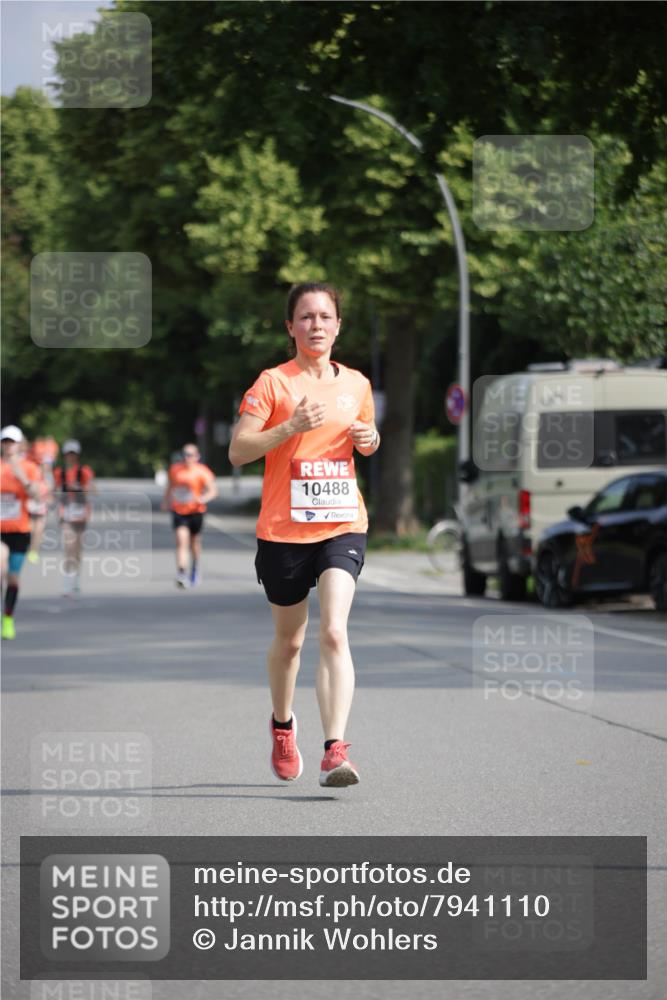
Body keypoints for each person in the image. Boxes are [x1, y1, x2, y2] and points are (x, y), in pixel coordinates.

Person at [228, 282, 380, 788]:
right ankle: (282, 724)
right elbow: (239, 451)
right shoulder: (273, 383)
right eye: (306, 317)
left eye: (325, 316)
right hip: (284, 530)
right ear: (290, 326)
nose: (316, 325)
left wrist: (369, 438)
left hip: (342, 523)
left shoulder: (356, 384)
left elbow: (367, 440)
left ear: (339, 326)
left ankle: (335, 749)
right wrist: (289, 426)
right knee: (290, 642)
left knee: (334, 629)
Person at [1, 426, 42, 639]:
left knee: (13, 579)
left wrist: (23, 479)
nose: (8, 445)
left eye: (12, 442)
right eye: (5, 441)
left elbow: (37, 495)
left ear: (19, 445)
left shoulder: (29, 467)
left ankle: (7, 618)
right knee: (0, 565)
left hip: (20, 530)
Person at [161, 444, 218, 588]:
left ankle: (195, 566)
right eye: (185, 454)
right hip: (179, 511)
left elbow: (213, 491)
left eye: (191, 454)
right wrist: (165, 501)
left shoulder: (202, 471)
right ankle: (181, 572)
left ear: (197, 456)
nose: (188, 457)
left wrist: (202, 499)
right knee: (181, 540)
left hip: (196, 511)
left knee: (194, 542)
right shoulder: (175, 469)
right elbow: (170, 487)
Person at [53, 440, 95, 596]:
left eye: (73, 454)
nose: (71, 457)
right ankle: (67, 581)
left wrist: (81, 489)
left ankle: (76, 581)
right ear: (64, 455)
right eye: (68, 454)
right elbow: (54, 491)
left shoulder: (84, 471)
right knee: (68, 546)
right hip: (66, 512)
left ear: (77, 455)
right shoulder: (59, 472)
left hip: (81, 513)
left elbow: (93, 490)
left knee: (77, 549)